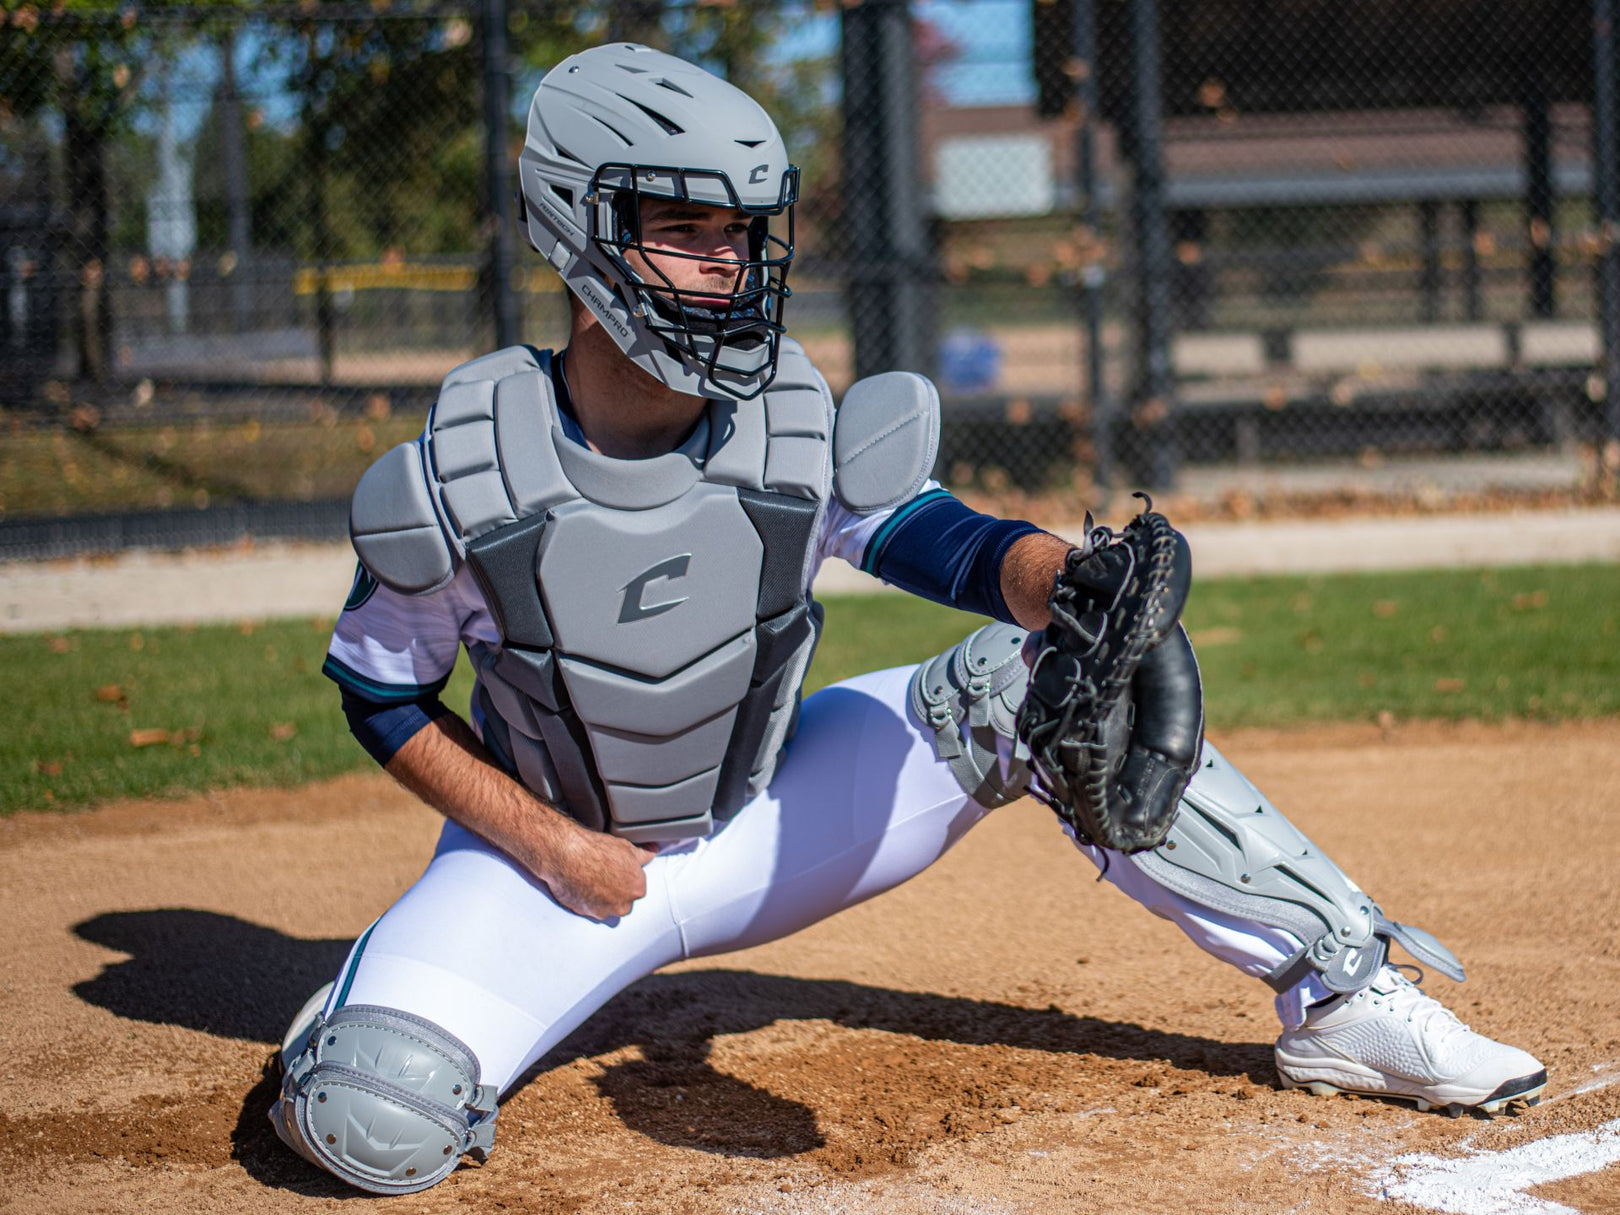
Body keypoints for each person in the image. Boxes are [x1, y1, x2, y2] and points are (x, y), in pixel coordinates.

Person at [268, 43, 1545, 1196]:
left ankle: (1343, 998)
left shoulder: (783, 415)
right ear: (578, 233)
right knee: (370, 1122)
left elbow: (937, 541)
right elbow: (379, 693)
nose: (727, 263)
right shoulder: (470, 471)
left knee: (1021, 679)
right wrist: (549, 845)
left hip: (767, 820)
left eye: (744, 232)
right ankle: (369, 1011)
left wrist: (1067, 580)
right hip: (548, 871)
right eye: (685, 229)